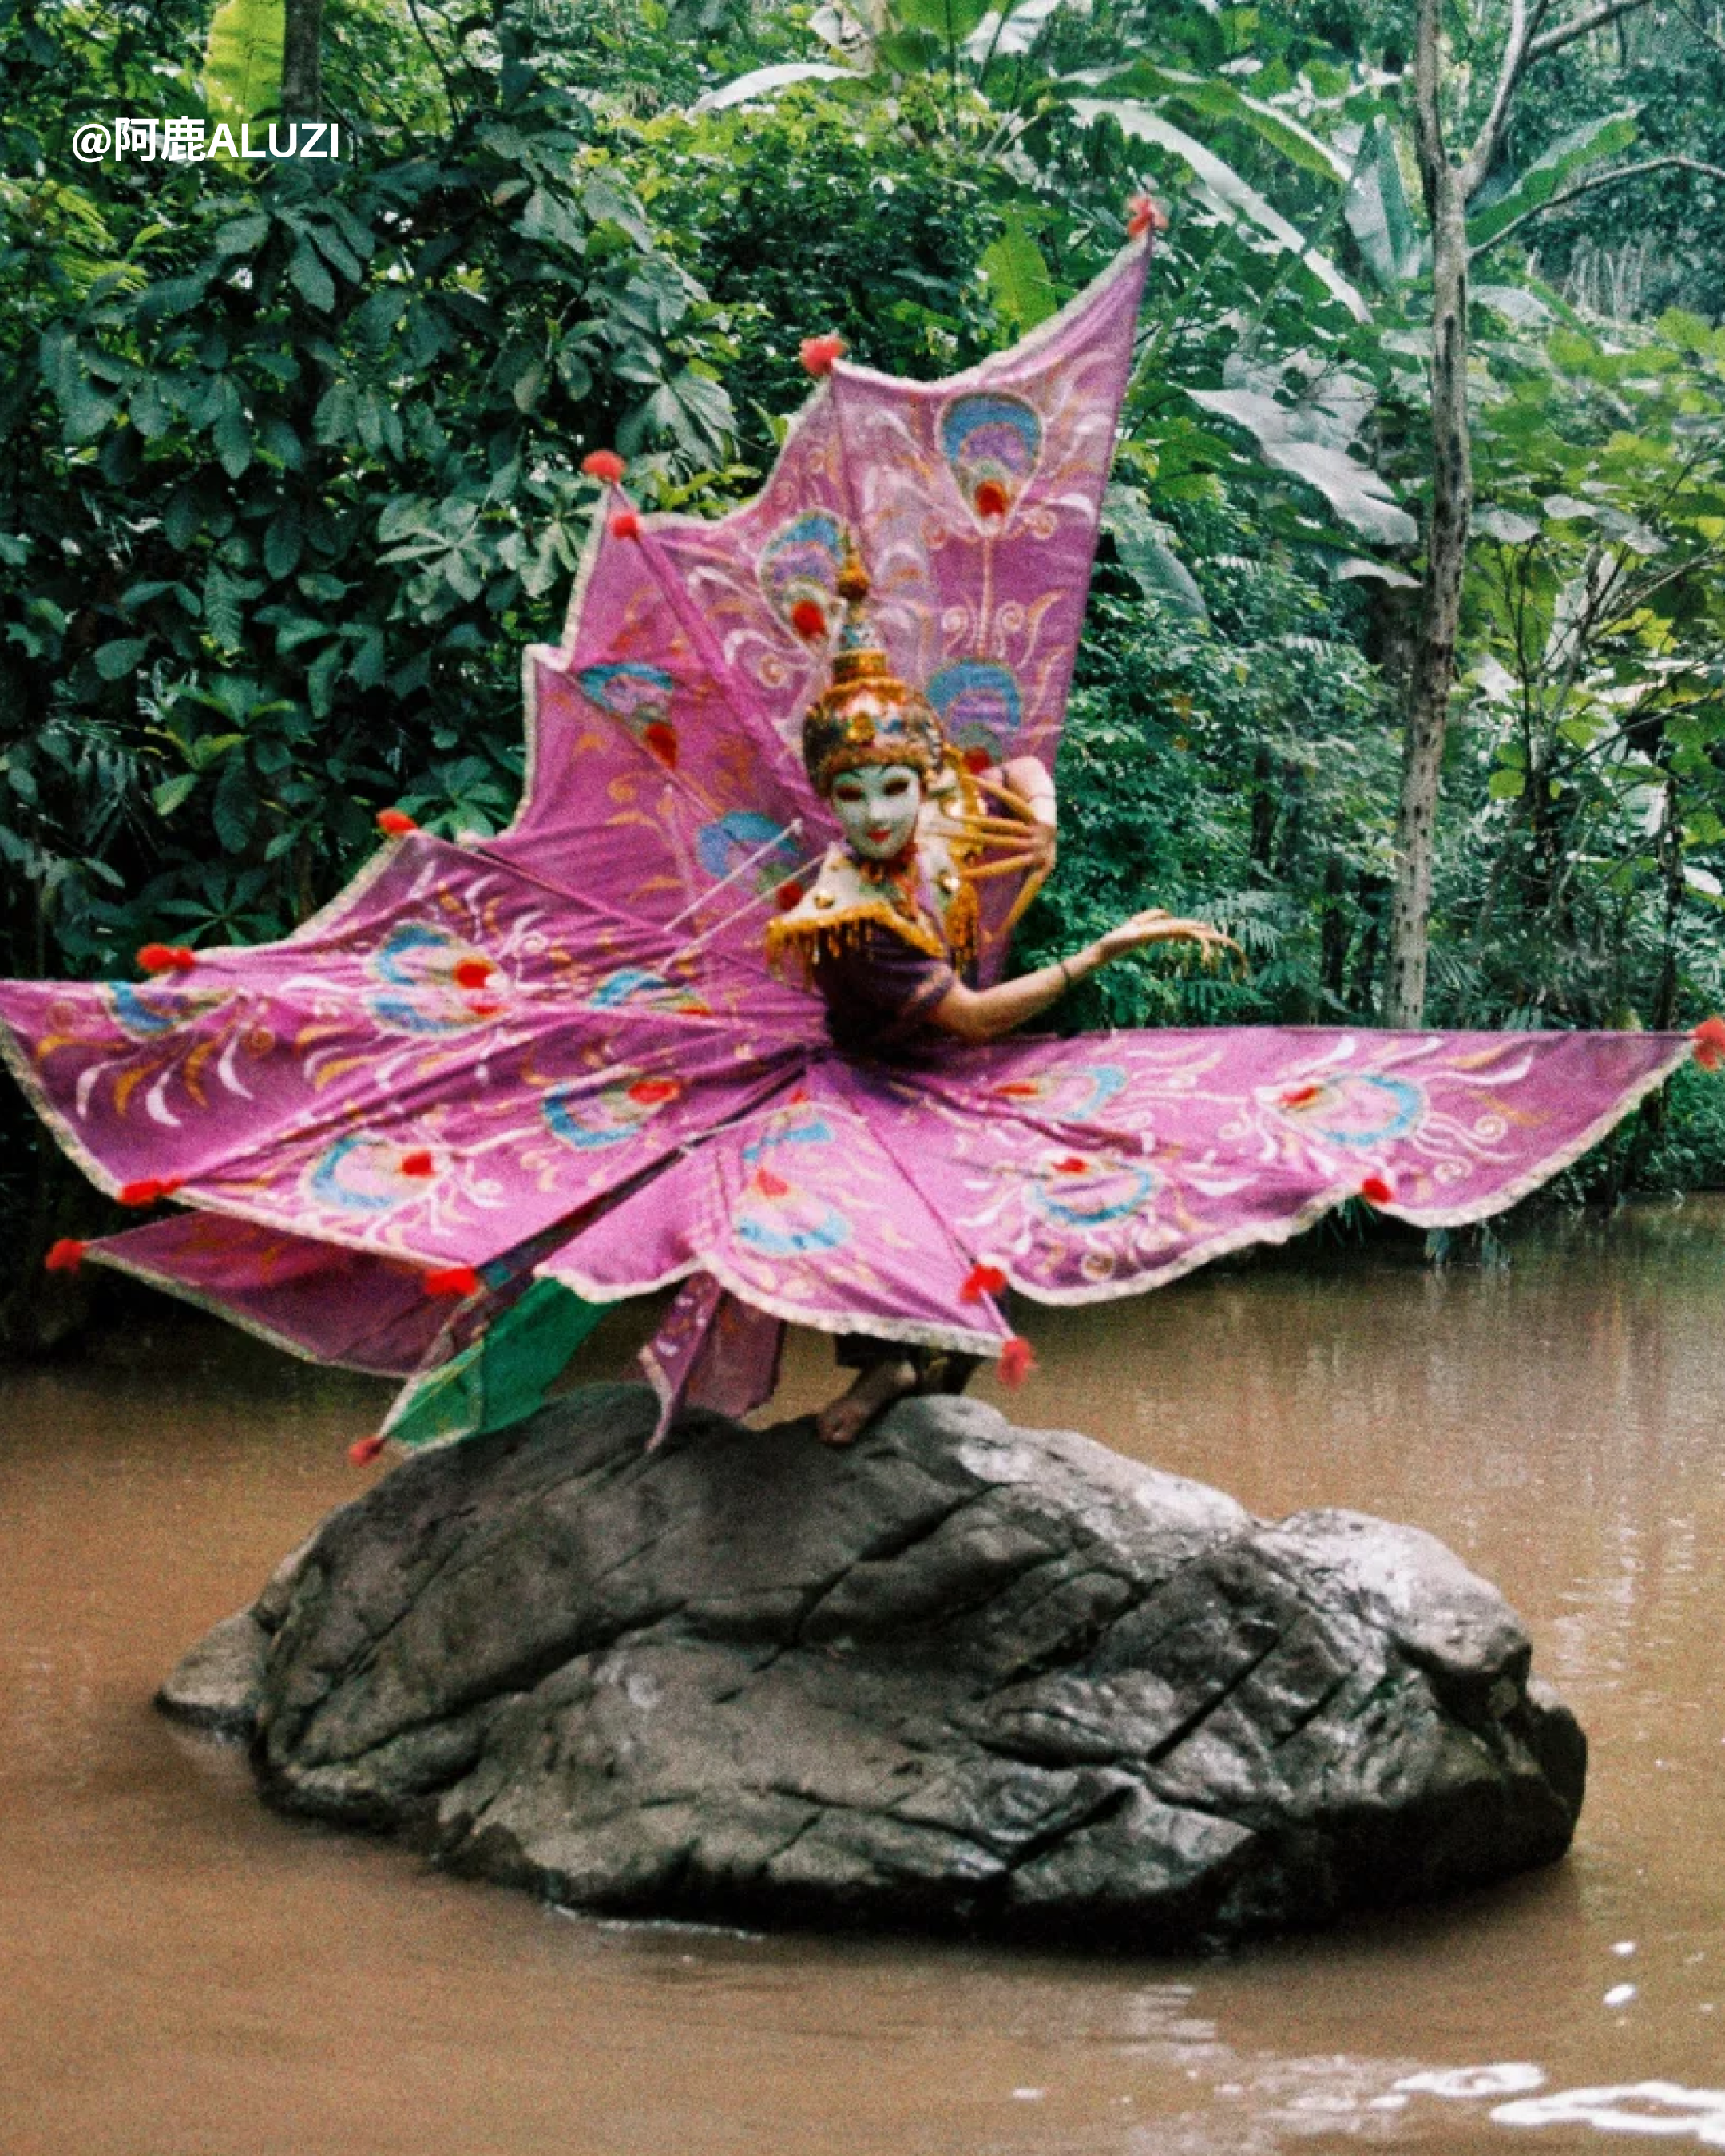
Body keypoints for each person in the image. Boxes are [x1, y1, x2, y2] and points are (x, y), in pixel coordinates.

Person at [767, 550, 1235, 1444]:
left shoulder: (940, 804)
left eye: (894, 789)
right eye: (851, 795)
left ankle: (938, 1368)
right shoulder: (846, 914)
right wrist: (1096, 953)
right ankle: (883, 1368)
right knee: (844, 1205)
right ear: (829, 798)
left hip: (951, 1068)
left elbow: (1020, 768)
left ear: (921, 776)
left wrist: (1046, 818)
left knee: (1002, 1201)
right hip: (872, 1077)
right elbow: (975, 1013)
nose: (876, 815)